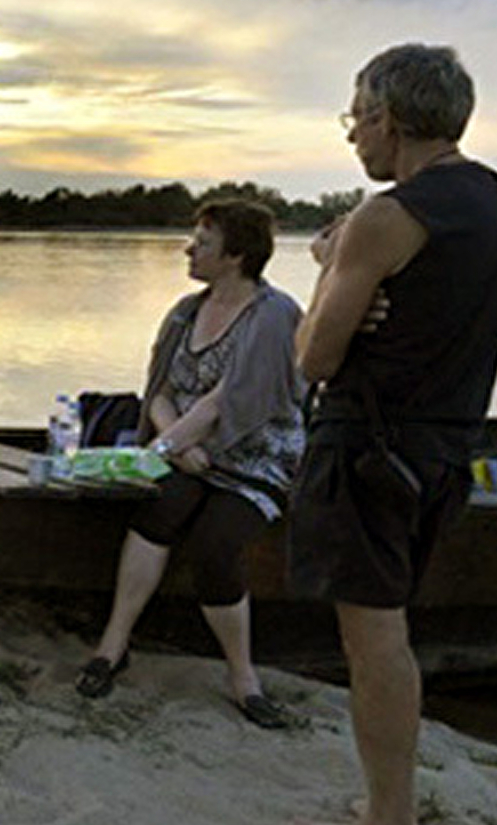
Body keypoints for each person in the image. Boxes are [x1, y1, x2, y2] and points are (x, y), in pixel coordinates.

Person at [294, 44, 497, 825]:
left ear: (388, 117)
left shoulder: (384, 218)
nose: (352, 138)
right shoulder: (494, 204)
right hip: (448, 451)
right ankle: (390, 802)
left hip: (369, 451)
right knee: (393, 629)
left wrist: (328, 268)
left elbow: (312, 358)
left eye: (356, 118)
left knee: (373, 641)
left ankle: (388, 812)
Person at [75, 199, 305, 730]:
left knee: (214, 545)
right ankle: (114, 644)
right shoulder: (184, 310)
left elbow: (226, 403)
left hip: (254, 458)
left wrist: (158, 452)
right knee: (155, 516)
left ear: (236, 256)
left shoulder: (273, 316)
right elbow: (160, 391)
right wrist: (175, 449)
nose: (189, 249)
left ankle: (243, 676)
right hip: (189, 450)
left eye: (202, 242)